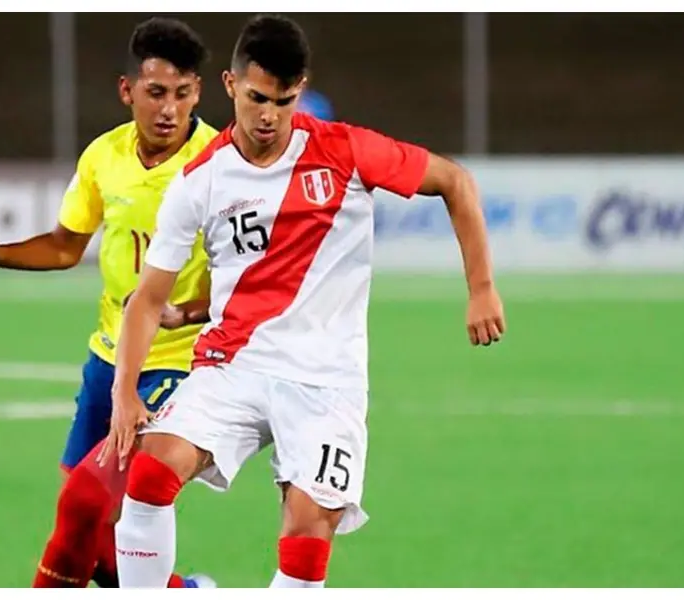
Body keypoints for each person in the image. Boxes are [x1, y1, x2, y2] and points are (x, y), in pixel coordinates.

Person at [100, 14, 506, 588]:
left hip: (326, 381)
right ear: (230, 86)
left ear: (301, 91)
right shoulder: (200, 179)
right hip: (234, 365)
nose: (269, 116)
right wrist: (124, 393)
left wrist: (481, 288)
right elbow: (147, 299)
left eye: (284, 101)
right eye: (257, 98)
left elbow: (455, 182)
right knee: (148, 476)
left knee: (306, 541)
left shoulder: (346, 151)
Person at [0, 17, 216, 589]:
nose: (169, 109)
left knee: (86, 503)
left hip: (182, 364)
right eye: (155, 92)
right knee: (93, 534)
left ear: (198, 92)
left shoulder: (218, 164)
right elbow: (66, 246)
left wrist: (190, 311)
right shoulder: (103, 156)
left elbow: (248, 271)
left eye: (183, 93)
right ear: (127, 90)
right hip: (108, 359)